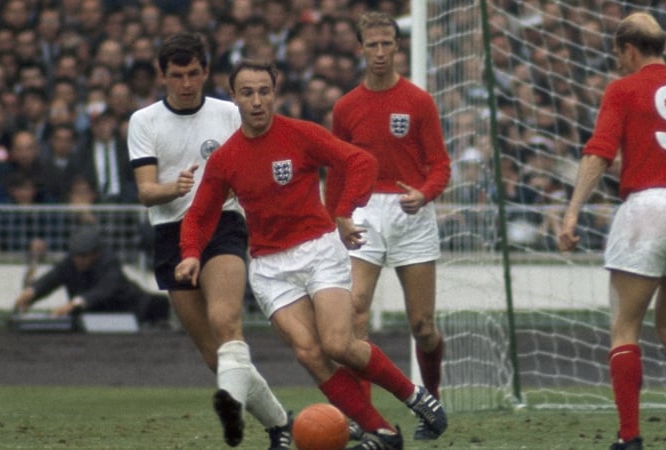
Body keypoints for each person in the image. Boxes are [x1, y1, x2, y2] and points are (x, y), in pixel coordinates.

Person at [175, 59, 448, 450]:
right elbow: (199, 214)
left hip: (319, 250)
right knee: (309, 353)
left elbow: (360, 161)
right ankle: (383, 433)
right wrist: (190, 253)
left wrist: (345, 211)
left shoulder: (299, 133)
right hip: (270, 268)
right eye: (248, 93)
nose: (257, 101)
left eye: (264, 92)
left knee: (338, 344)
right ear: (233, 97)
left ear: (275, 93)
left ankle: (415, 396)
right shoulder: (225, 159)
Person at [558, 12, 666, 450]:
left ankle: (629, 437)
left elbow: (598, 153)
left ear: (629, 50)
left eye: (618, 54)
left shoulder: (623, 89)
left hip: (646, 209)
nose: (618, 62)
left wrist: (572, 213)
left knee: (624, 328)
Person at [126, 32, 292, 449]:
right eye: (177, 75)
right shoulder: (144, 121)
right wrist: (175, 187)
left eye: (193, 73)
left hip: (222, 225)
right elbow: (146, 191)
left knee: (226, 322)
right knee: (212, 353)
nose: (186, 83)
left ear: (205, 72)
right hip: (171, 232)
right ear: (163, 75)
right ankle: (280, 424)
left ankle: (233, 408)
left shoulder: (229, 114)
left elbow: (258, 161)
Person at [323, 11, 451, 441]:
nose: (380, 52)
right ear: (360, 49)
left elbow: (440, 164)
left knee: (423, 326)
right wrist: (335, 216)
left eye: (387, 44)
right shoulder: (346, 107)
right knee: (355, 312)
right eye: (372, 45)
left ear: (398, 47)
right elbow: (338, 168)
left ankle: (431, 400)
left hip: (410, 211)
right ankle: (368, 420)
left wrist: (425, 193)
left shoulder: (418, 101)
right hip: (364, 213)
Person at [13, 227, 170, 327]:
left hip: (129, 310)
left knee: (158, 303)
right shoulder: (70, 263)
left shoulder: (109, 262)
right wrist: (31, 292)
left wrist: (74, 304)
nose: (78, 260)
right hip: (93, 316)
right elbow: (51, 279)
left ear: (96, 254)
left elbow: (104, 290)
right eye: (75, 255)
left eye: (83, 256)